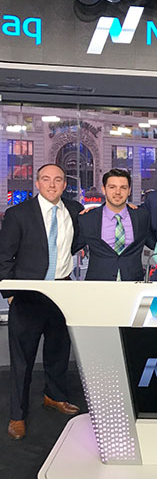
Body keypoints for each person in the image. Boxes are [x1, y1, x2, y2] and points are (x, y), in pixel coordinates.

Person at [0, 164, 83, 440]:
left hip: (62, 291)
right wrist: (10, 294)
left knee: (59, 351)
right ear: (37, 183)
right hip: (28, 294)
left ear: (64, 184)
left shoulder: (73, 210)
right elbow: (4, 257)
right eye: (46, 179)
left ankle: (54, 396)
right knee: (22, 360)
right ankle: (17, 414)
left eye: (58, 180)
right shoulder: (18, 214)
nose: (52, 184)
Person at [76, 169, 150, 281]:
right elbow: (71, 246)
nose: (117, 192)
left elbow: (154, 241)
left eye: (123, 188)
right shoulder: (88, 218)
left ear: (129, 190)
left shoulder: (142, 216)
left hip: (133, 284)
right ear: (104, 189)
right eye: (112, 187)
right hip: (98, 285)